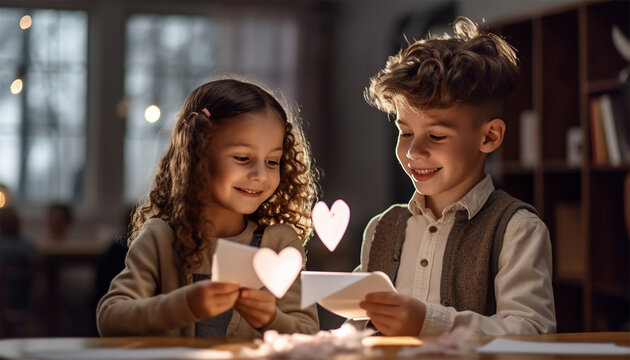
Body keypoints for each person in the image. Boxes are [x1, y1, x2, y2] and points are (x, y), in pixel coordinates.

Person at [355, 17, 556, 336]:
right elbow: (360, 324)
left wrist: (427, 322)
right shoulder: (381, 229)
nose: (413, 152)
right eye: (405, 132)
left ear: (489, 137)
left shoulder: (517, 230)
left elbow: (532, 331)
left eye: (435, 136)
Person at [97, 78, 320, 337]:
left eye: (272, 161)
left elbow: (309, 333)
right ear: (198, 154)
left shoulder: (279, 243)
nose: (260, 174)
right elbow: (110, 318)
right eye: (242, 158)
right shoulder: (161, 238)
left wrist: (271, 318)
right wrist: (184, 305)